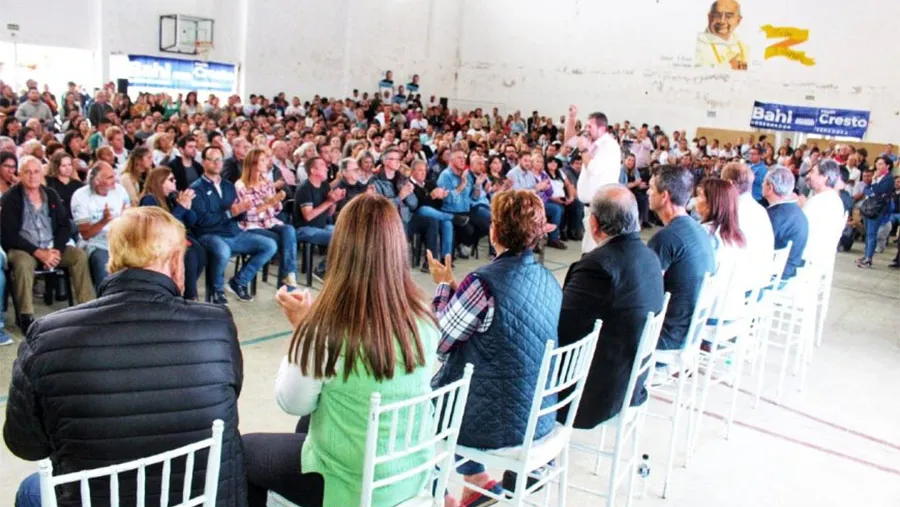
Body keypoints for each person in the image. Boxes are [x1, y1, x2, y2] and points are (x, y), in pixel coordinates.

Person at [4, 207, 246, 507]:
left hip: (95, 498)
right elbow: (227, 399)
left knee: (31, 489)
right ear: (174, 262)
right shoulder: (218, 324)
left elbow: (25, 445)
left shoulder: (47, 335)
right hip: (203, 499)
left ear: (112, 262)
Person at [243, 195, 438, 507]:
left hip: (352, 485)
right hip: (410, 472)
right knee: (309, 422)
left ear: (342, 249)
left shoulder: (327, 329)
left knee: (241, 452)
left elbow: (291, 401)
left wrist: (302, 330)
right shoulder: (423, 316)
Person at [428, 190, 561, 506]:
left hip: (492, 423)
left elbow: (440, 341)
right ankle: (477, 482)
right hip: (538, 414)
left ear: (495, 230)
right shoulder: (548, 279)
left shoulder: (484, 282)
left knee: (414, 410)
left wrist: (443, 287)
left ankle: (439, 497)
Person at [557, 185, 664, 428]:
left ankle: (535, 460)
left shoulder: (598, 267)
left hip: (599, 394)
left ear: (594, 224)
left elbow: (561, 329)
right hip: (632, 379)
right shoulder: (649, 256)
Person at [0, 156, 94, 334]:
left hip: (51, 246)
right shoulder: (11, 198)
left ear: (42, 174)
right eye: (27, 172)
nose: (32, 176)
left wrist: (56, 250)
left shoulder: (50, 194)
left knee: (79, 256)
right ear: (20, 174)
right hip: (23, 249)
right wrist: (38, 252)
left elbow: (64, 225)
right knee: (22, 263)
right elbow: (8, 235)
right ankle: (26, 316)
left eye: (36, 172)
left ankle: (86, 308)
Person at [191, 146, 278, 304]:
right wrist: (230, 213)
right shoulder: (196, 188)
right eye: (213, 160)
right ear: (204, 163)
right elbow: (202, 221)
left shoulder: (228, 186)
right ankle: (217, 290)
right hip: (209, 235)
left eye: (220, 159)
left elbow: (238, 215)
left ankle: (238, 282)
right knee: (223, 251)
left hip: (233, 232)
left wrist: (243, 210)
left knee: (270, 245)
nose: (218, 163)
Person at [647, 165, 716, 350]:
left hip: (668, 337)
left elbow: (645, 293)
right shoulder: (698, 230)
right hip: (692, 332)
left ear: (664, 196)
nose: (647, 192)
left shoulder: (666, 238)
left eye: (652, 188)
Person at [235, 147, 299, 288]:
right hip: (252, 226)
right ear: (253, 163)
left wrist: (276, 201)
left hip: (269, 222)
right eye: (263, 160)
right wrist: (268, 203)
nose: (267, 162)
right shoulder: (241, 186)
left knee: (289, 230)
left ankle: (289, 276)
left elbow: (275, 211)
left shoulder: (267, 183)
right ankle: (287, 283)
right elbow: (246, 215)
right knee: (282, 241)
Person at [140, 167, 206, 301]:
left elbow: (192, 221)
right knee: (190, 255)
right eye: (171, 179)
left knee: (200, 250)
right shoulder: (149, 199)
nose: (175, 182)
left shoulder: (170, 198)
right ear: (159, 181)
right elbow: (162, 227)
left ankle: (187, 292)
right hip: (157, 241)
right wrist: (181, 208)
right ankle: (190, 297)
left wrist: (187, 206)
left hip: (174, 239)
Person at [692, 178, 751, 329]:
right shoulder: (738, 235)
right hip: (734, 309)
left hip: (710, 314)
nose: (695, 200)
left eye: (700, 196)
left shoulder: (705, 234)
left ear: (711, 204)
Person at [563, 105, 622, 253]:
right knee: (588, 249)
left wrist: (583, 150)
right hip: (590, 207)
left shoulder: (609, 146)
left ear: (602, 128)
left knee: (594, 251)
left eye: (590, 126)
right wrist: (571, 118)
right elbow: (569, 140)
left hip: (602, 207)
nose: (586, 129)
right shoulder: (591, 142)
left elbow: (594, 169)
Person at [70, 162, 131, 291]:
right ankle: (106, 300)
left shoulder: (120, 190)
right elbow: (86, 234)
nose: (114, 180)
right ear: (97, 181)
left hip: (120, 238)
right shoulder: (80, 196)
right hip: (95, 242)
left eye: (113, 176)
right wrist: (103, 221)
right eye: (109, 177)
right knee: (103, 262)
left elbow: (128, 216)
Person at [721, 161, 775, 287]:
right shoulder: (760, 209)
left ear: (729, 184)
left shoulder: (733, 211)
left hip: (741, 287)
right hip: (760, 281)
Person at [293, 156, 346, 278]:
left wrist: (334, 201)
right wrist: (328, 202)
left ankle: (334, 269)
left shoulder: (324, 185)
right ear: (313, 170)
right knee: (338, 237)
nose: (327, 168)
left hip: (321, 226)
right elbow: (308, 216)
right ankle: (321, 269)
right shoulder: (304, 188)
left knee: (348, 233)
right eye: (322, 166)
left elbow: (329, 213)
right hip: (304, 228)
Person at [764, 168, 809, 283]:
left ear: (770, 188)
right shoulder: (795, 210)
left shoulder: (773, 216)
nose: (761, 185)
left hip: (775, 277)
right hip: (789, 270)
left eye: (764, 182)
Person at [803, 160, 847, 268]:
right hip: (820, 259)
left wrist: (799, 209)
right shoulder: (832, 199)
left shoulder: (820, 202)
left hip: (808, 260)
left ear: (825, 178)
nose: (808, 175)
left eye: (813, 172)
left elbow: (800, 229)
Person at [856, 156, 896, 268]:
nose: (878, 166)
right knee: (868, 233)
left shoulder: (889, 178)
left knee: (872, 234)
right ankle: (865, 256)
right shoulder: (877, 176)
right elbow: (867, 189)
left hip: (878, 209)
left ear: (887, 166)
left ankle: (869, 259)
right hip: (869, 206)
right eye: (877, 163)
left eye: (881, 164)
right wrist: (873, 188)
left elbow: (878, 191)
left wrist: (874, 182)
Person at [695, 0, 748, 70]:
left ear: (738, 20)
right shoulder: (697, 44)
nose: (722, 21)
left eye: (728, 16)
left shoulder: (743, 45)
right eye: (717, 15)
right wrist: (728, 67)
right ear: (709, 17)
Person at [45, 151, 84, 216]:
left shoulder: (78, 185)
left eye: (69, 165)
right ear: (56, 167)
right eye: (63, 166)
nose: (67, 168)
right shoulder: (48, 181)